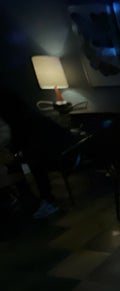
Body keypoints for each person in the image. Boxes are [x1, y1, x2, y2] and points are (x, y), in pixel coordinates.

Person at [0, 85, 77, 219]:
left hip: (65, 155)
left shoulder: (28, 124)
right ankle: (28, 200)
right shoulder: (28, 120)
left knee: (32, 163)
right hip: (62, 151)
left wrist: (17, 156)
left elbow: (33, 150)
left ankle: (44, 200)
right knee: (22, 163)